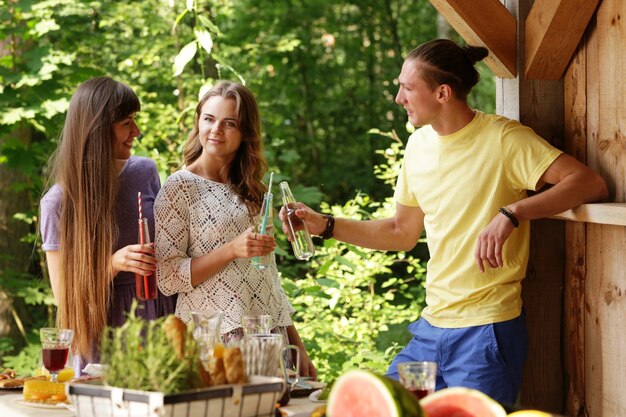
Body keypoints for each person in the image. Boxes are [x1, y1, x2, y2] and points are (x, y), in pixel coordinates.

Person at [279, 39, 607, 403]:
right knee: (377, 409)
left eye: (407, 88)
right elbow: (400, 232)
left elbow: (588, 182)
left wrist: (514, 212)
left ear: (443, 93)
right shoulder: (417, 147)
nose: (399, 98)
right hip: (430, 330)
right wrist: (324, 224)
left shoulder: (504, 139)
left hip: (486, 331)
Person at [154, 80, 317, 378]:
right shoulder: (179, 188)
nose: (216, 130)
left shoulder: (253, 190)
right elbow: (167, 276)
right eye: (209, 119)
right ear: (198, 122)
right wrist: (231, 250)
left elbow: (267, 277)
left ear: (245, 133)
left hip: (268, 336)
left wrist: (298, 346)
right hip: (215, 339)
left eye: (229, 123)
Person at [40, 77, 176, 369]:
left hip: (162, 315)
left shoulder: (145, 171)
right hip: (106, 333)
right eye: (127, 123)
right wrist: (113, 263)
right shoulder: (57, 204)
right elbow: (65, 298)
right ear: (98, 129)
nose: (136, 132)